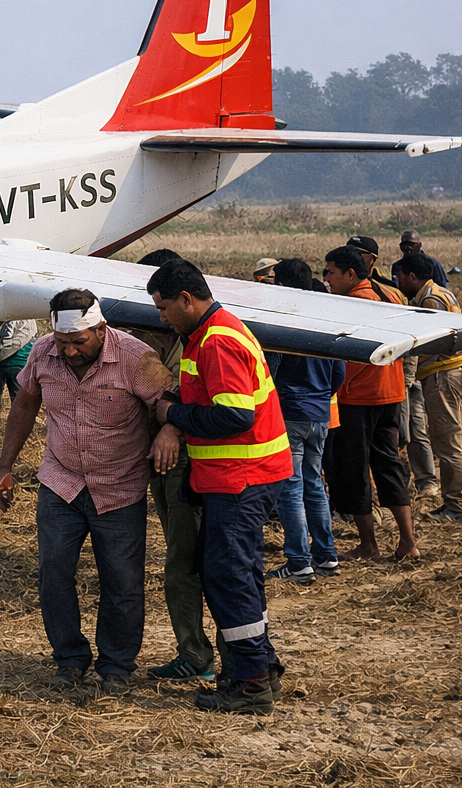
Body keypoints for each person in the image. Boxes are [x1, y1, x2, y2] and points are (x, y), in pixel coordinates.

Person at [0, 288, 176, 695]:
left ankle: (116, 667)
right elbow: (25, 405)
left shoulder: (135, 357)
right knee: (54, 574)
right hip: (61, 483)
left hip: (120, 487)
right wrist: (6, 466)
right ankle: (69, 660)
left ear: (101, 329)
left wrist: (170, 430)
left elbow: (169, 400)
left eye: (79, 342)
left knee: (122, 581)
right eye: (63, 342)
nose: (70, 351)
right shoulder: (43, 353)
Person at [149, 259, 291, 715]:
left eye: (164, 308)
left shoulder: (216, 341)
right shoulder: (209, 334)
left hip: (241, 478)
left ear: (186, 299)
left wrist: (172, 416)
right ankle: (260, 666)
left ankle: (251, 683)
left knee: (229, 576)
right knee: (236, 573)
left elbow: (234, 416)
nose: (162, 318)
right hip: (237, 477)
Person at [134, 247, 215, 684]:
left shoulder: (204, 338)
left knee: (191, 563)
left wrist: (172, 426)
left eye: (162, 304)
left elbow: (213, 403)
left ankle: (209, 658)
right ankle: (196, 652)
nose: (158, 312)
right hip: (161, 463)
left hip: (191, 463)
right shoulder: (146, 335)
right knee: (180, 560)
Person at [321, 246, 419, 561]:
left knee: (354, 470)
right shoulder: (390, 295)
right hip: (391, 394)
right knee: (389, 465)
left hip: (358, 398)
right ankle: (408, 543)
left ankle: (368, 546)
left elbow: (345, 353)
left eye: (330, 272)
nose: (327, 279)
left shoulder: (352, 304)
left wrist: (338, 383)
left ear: (350, 274)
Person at [265, 259, 345, 583]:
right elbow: (339, 372)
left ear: (282, 285)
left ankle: (299, 562)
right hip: (319, 414)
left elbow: (269, 373)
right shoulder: (323, 321)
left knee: (290, 488)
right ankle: (326, 556)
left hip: (290, 414)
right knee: (314, 485)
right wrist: (321, 396)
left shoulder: (283, 322)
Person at [394, 253, 462, 523]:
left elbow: (435, 342)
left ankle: (456, 507)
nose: (398, 282)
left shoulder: (430, 300)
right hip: (453, 372)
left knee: (447, 442)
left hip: (442, 375)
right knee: (454, 439)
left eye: (400, 277)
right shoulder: (442, 292)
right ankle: (456, 501)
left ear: (412, 276)